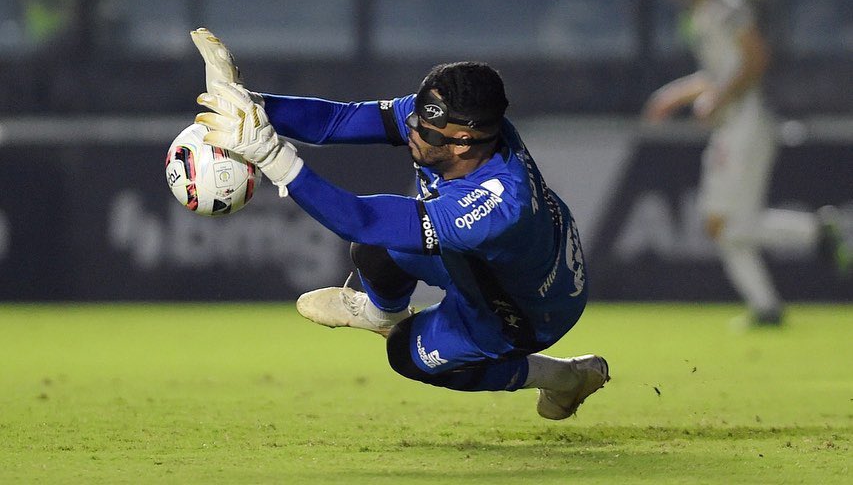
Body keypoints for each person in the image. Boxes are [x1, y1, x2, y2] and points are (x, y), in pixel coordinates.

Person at [189, 28, 609, 420]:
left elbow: (362, 219)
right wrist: (248, 103)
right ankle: (381, 315)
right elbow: (339, 121)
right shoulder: (454, 122)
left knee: (406, 355)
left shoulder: (495, 207)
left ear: (463, 141)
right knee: (376, 253)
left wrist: (273, 158)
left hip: (524, 308)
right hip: (498, 259)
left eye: (425, 129)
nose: (411, 129)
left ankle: (562, 378)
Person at [644, 0, 849, 326]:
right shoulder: (704, 12)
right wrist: (673, 96)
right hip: (733, 123)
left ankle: (814, 234)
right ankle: (768, 304)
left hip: (745, 122)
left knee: (724, 223)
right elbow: (719, 73)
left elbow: (755, 56)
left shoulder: (727, 4)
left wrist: (718, 96)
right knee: (729, 225)